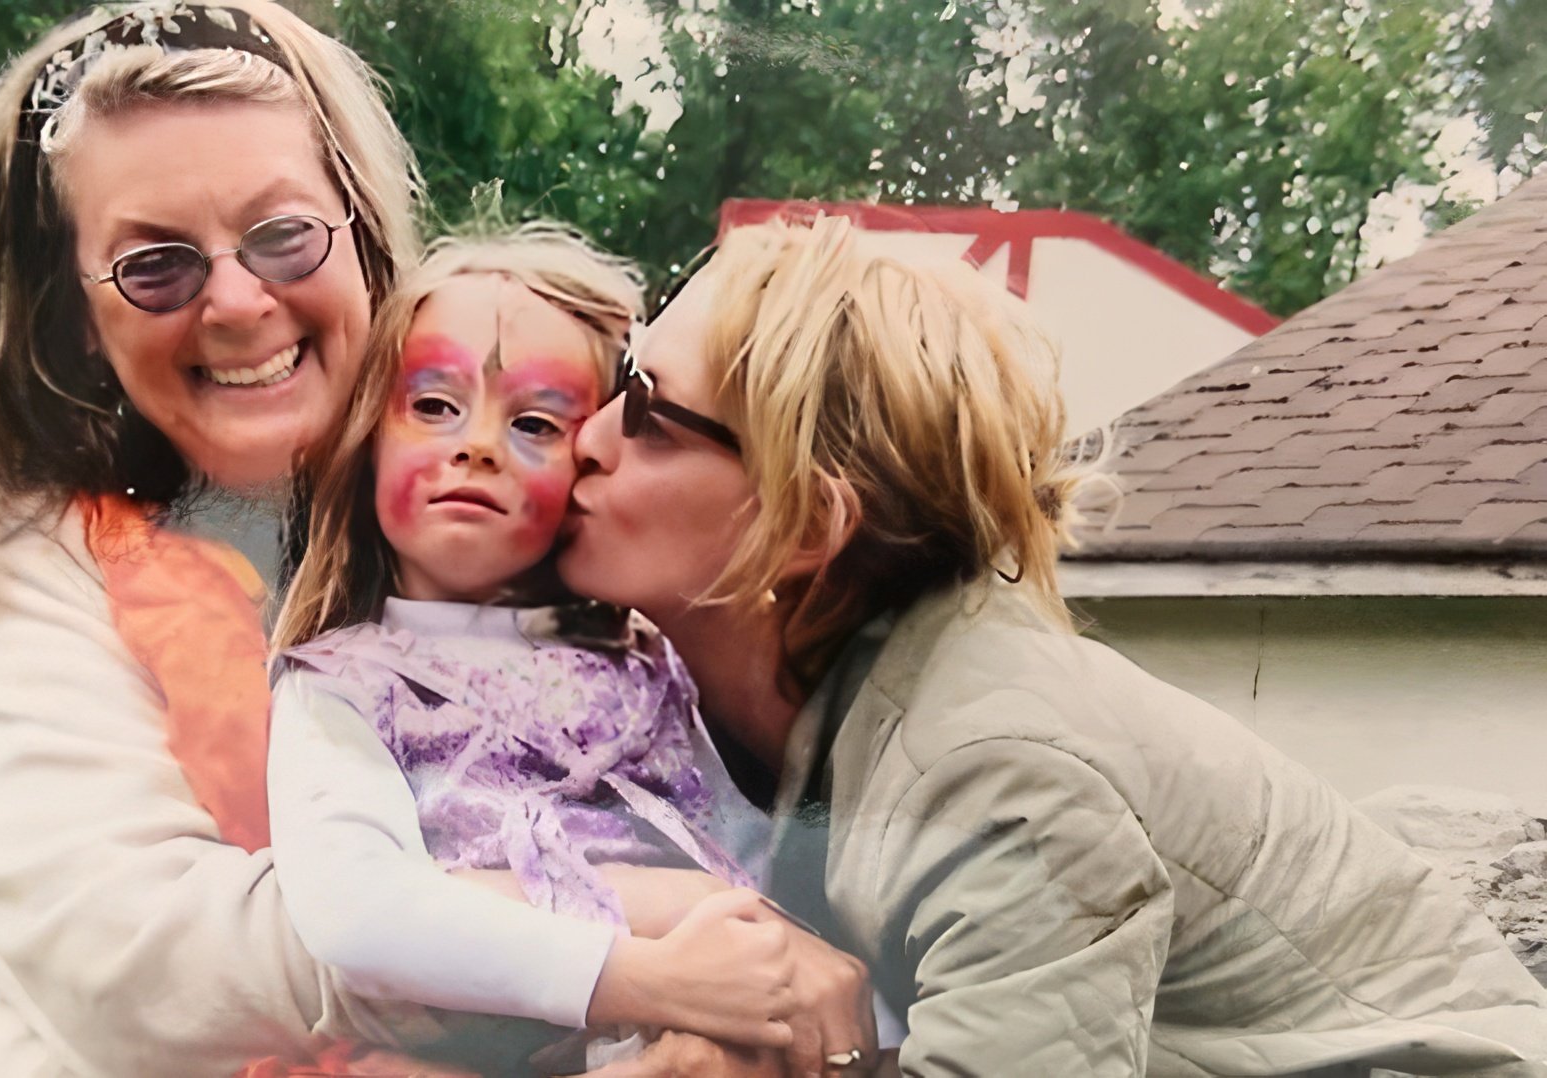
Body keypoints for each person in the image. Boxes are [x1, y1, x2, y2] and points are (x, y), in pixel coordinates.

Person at [556, 213, 1547, 1077]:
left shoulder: (999, 773)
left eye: (645, 409)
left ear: (807, 524)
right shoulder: (744, 694)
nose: (584, 438)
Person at [0, 2, 431, 1073]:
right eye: (157, 267)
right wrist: (559, 966)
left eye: (283, 235)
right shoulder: (41, 562)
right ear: (73, 320)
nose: (237, 303)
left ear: (365, 238)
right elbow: (141, 967)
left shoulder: (501, 514)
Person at [267, 225, 860, 1072]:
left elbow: (751, 861)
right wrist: (643, 979)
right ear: (365, 439)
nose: (475, 445)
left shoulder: (643, 660)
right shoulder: (342, 683)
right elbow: (350, 907)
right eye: (434, 406)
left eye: (537, 423)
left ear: (588, 465)